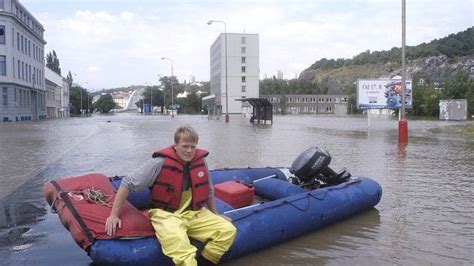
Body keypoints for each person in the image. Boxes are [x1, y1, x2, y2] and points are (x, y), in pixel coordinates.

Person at [105, 126, 236, 265]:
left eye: (193, 146)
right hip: (165, 214)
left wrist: (215, 213)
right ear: (175, 145)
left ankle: (206, 262)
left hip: (194, 213)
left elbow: (208, 190)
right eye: (185, 146)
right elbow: (127, 183)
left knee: (228, 230)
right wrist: (114, 215)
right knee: (183, 250)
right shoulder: (159, 163)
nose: (189, 151)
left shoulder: (201, 161)